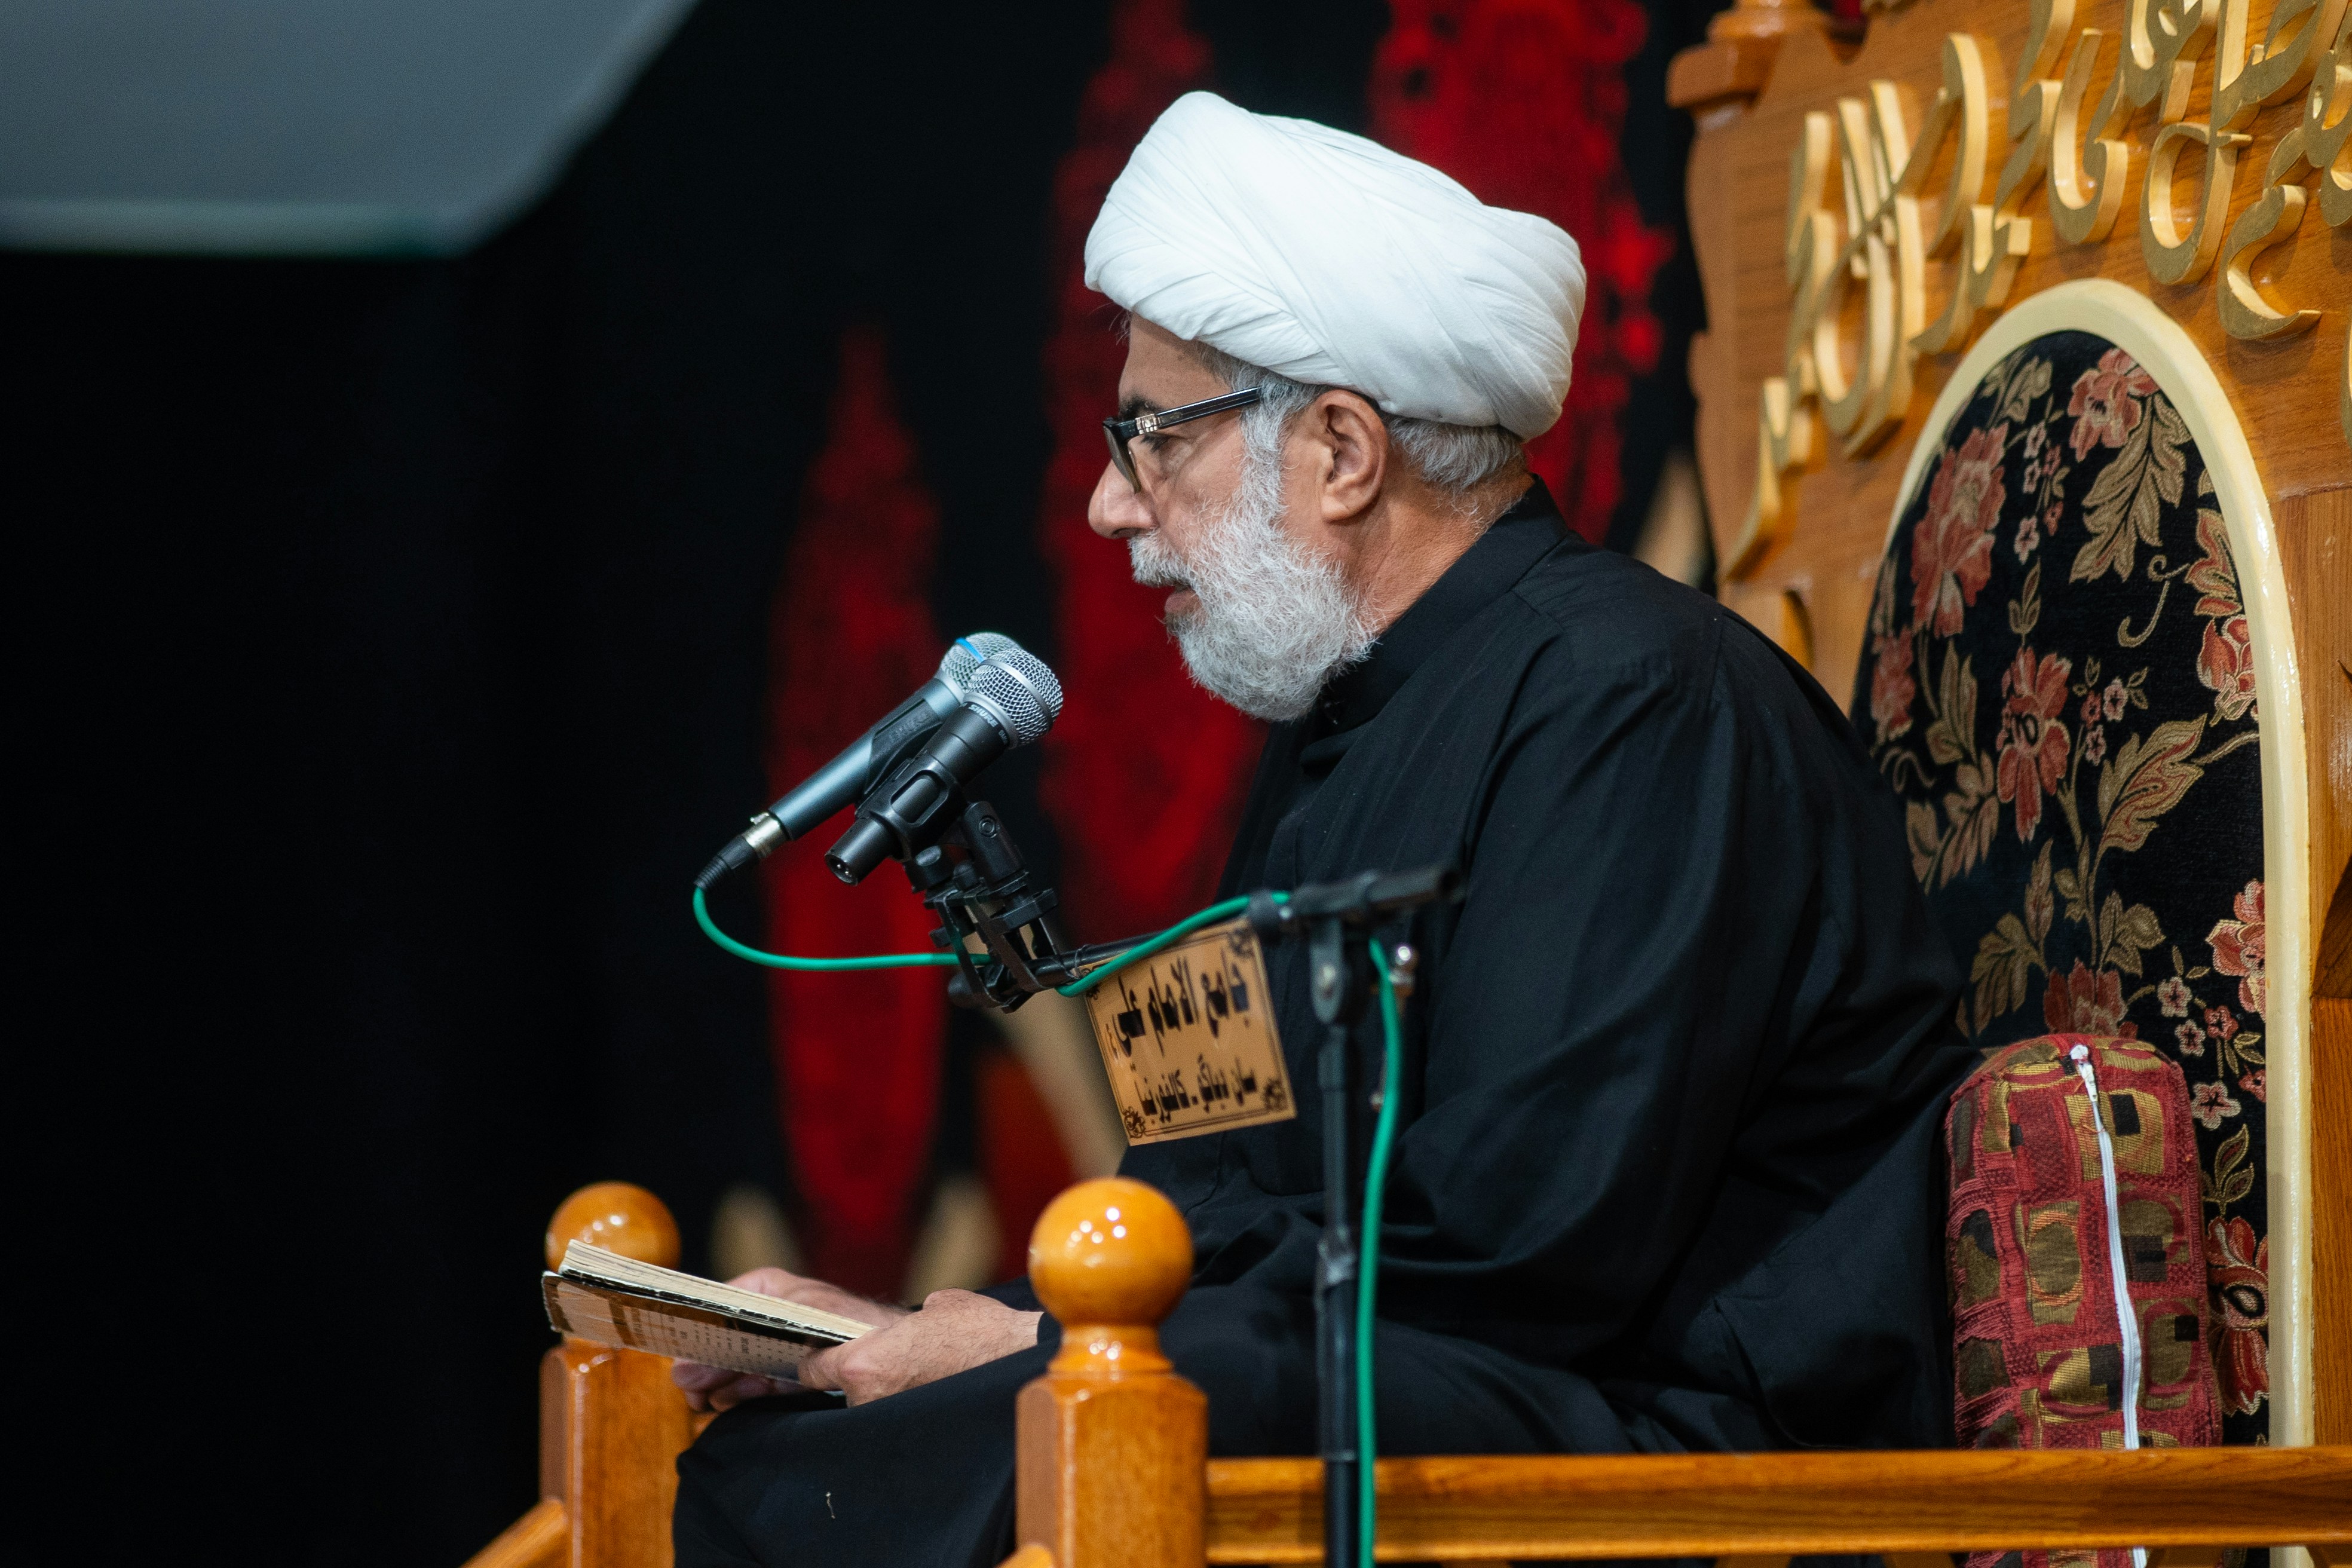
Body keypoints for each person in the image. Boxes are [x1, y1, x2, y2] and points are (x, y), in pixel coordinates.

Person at [672, 91, 1971, 1568]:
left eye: (1154, 437)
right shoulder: (1342, 736)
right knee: (812, 1443)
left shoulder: (1633, 699)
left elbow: (1512, 1242)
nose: (1108, 504)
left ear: (1344, 451)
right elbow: (1210, 1171)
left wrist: (1040, 1342)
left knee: (1066, 1416)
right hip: (1459, 1379)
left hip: (1697, 1453)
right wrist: (953, 1337)